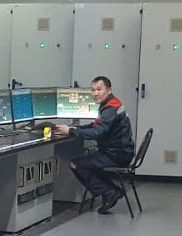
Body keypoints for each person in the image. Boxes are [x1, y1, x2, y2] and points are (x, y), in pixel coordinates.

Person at [55, 76, 134, 214]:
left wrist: (71, 131)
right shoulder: (110, 104)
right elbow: (96, 125)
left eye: (99, 89)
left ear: (109, 90)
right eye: (93, 90)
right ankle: (111, 191)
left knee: (76, 164)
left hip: (117, 154)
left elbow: (98, 132)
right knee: (89, 163)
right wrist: (74, 129)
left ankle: (110, 192)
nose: (95, 93)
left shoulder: (110, 108)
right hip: (119, 151)